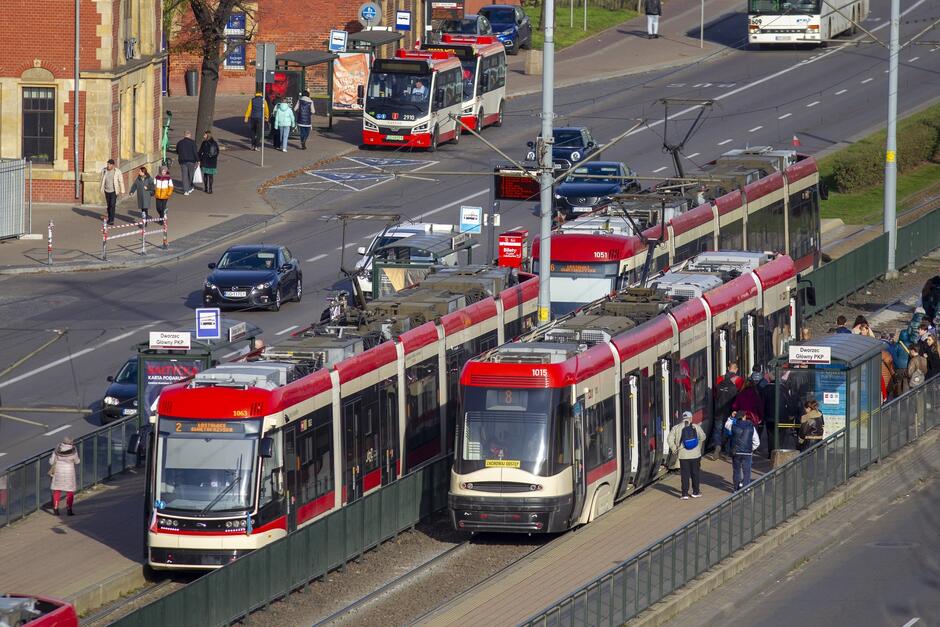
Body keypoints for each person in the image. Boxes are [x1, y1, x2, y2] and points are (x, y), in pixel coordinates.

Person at [667, 411, 706, 500]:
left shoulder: (676, 428)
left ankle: (684, 494)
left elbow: (669, 439)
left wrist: (674, 449)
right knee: (695, 473)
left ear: (682, 418)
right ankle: (696, 492)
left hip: (683, 455)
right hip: (695, 454)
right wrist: (698, 444)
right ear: (691, 418)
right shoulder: (696, 427)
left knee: (684, 474)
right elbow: (703, 437)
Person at [708, 363, 742, 459]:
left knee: (717, 429)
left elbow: (715, 394)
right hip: (730, 410)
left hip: (719, 409)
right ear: (736, 369)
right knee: (728, 430)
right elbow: (739, 396)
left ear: (728, 368)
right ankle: (726, 451)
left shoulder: (719, 379)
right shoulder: (739, 380)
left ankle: (717, 446)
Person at [726, 411, 759, 490]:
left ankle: (736, 489)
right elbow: (757, 442)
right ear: (744, 417)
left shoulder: (733, 426)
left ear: (737, 418)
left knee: (736, 471)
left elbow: (726, 425)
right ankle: (746, 488)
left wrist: (731, 417)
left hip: (736, 452)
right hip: (747, 453)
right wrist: (751, 449)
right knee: (747, 471)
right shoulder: (751, 427)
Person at [49, 437, 80, 516]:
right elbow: (77, 461)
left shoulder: (57, 449)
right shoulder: (73, 451)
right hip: (69, 472)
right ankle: (69, 509)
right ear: (71, 442)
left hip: (58, 472)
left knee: (57, 490)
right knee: (70, 491)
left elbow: (51, 461)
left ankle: (56, 508)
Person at [99, 159, 125, 225]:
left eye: (109, 164)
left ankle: (111, 220)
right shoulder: (104, 170)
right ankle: (109, 217)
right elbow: (102, 179)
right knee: (109, 205)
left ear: (113, 165)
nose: (108, 166)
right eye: (107, 164)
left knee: (112, 204)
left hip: (114, 191)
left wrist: (122, 191)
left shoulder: (117, 171)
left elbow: (121, 181)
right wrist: (101, 188)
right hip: (106, 190)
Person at [176, 130, 199, 195]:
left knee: (184, 175)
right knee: (191, 174)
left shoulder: (180, 143)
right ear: (190, 135)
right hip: (191, 161)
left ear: (184, 135)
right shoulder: (192, 142)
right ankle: (189, 187)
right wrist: (198, 160)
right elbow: (195, 152)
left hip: (182, 161)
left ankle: (186, 190)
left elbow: (177, 151)